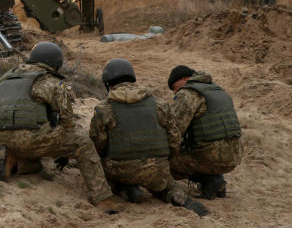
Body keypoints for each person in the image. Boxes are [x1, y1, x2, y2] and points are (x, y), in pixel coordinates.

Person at [0, 41, 119, 212]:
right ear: (56, 64)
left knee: (31, 148)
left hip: (3, 138)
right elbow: (67, 121)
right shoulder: (52, 82)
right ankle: (102, 199)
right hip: (36, 139)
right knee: (83, 144)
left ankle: (14, 157)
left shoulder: (6, 79)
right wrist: (65, 152)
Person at [89, 59, 208, 216]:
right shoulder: (158, 103)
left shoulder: (104, 108)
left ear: (108, 84)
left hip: (121, 169)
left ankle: (127, 189)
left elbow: (98, 145)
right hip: (157, 169)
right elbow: (174, 138)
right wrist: (165, 161)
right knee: (167, 185)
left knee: (104, 170)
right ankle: (174, 195)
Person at [167, 65, 244, 199]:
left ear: (185, 78)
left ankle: (210, 181)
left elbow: (174, 130)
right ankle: (215, 180)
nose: (175, 92)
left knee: (167, 163)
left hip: (210, 157)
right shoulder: (219, 90)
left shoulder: (188, 93)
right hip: (234, 156)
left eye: (174, 86)